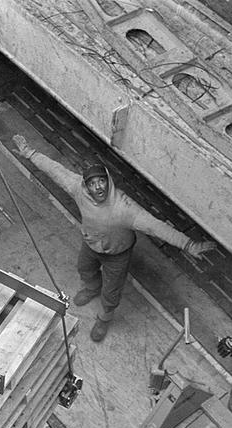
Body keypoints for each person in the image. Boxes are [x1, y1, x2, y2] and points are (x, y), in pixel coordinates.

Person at [12, 135, 216, 342]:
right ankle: (92, 288)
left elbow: (157, 227)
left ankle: (104, 318)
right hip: (91, 245)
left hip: (118, 255)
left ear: (108, 181)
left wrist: (188, 245)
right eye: (93, 183)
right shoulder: (77, 189)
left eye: (102, 181)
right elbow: (56, 171)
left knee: (112, 291)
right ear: (86, 186)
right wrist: (30, 153)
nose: (98, 187)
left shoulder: (125, 208)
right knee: (84, 268)